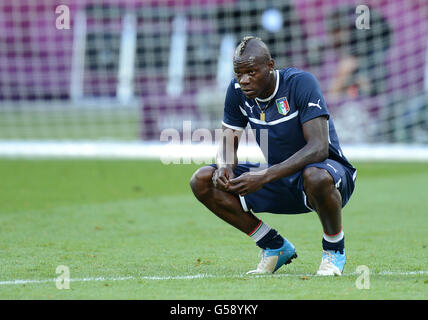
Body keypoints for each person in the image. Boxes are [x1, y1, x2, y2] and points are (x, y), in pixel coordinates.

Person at [190, 36, 357, 276]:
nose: (244, 80)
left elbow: (318, 148)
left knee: (316, 176)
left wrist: (264, 175)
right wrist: (224, 167)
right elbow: (227, 142)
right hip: (280, 178)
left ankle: (334, 250)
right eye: (239, 73)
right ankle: (273, 245)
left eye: (251, 72)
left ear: (270, 65)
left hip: (330, 176)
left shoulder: (300, 83)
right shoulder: (237, 92)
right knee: (203, 180)